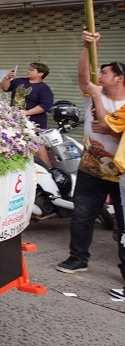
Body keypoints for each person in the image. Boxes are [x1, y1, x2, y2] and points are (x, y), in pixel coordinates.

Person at [55, 30, 125, 280]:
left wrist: (107, 127)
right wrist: (87, 47)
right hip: (91, 169)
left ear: (119, 78)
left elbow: (110, 128)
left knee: (124, 225)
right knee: (82, 216)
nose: (100, 75)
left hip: (121, 175)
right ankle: (78, 258)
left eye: (105, 72)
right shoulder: (94, 96)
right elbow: (84, 76)